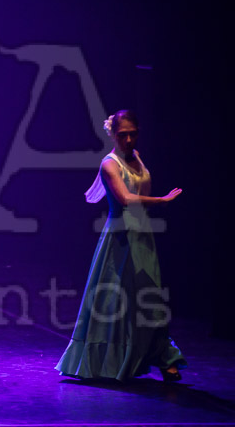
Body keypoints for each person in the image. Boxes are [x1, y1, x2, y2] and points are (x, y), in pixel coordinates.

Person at [56, 110, 185, 381]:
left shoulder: (137, 157)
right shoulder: (109, 164)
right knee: (115, 299)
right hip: (120, 238)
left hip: (143, 234)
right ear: (113, 135)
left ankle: (163, 355)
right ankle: (109, 361)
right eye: (122, 135)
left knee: (150, 297)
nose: (128, 140)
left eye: (132, 134)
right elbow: (125, 199)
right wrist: (162, 201)